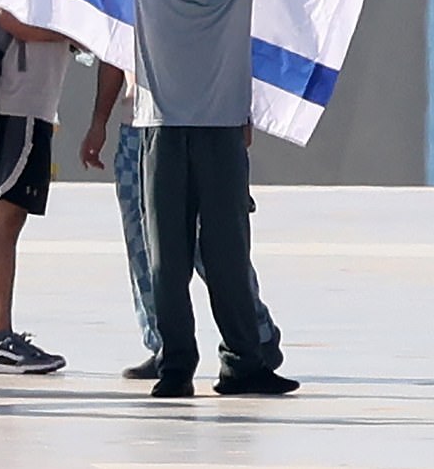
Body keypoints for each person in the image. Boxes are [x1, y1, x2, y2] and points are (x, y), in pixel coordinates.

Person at [75, 0, 370, 397]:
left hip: (220, 137)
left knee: (229, 257)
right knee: (168, 262)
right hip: (161, 133)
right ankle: (175, 368)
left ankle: (244, 365)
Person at [79, 61, 283, 379]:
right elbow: (112, 52)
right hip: (138, 125)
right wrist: (98, 121)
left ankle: (257, 334)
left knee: (215, 241)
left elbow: (233, 48)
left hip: (203, 119)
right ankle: (163, 345)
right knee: (145, 243)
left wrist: (243, 114)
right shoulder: (130, 9)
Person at [0, 6, 72, 374]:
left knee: (7, 213)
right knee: (5, 214)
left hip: (24, 101)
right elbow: (10, 19)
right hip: (16, 100)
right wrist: (73, 32)